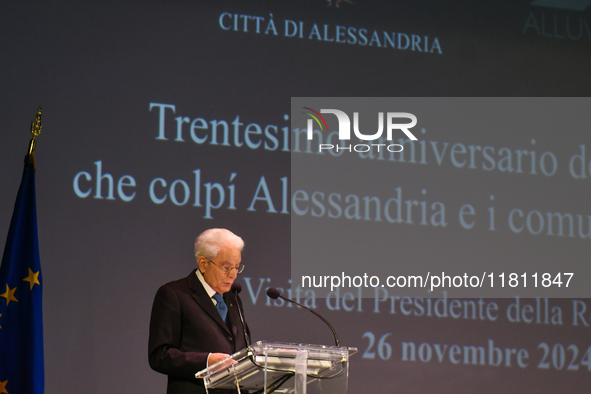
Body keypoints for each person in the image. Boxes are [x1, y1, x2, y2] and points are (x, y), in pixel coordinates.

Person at [149, 228, 250, 394]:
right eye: (226, 267)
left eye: (237, 267)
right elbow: (159, 355)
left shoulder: (233, 298)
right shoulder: (174, 295)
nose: (233, 275)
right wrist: (206, 361)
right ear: (203, 264)